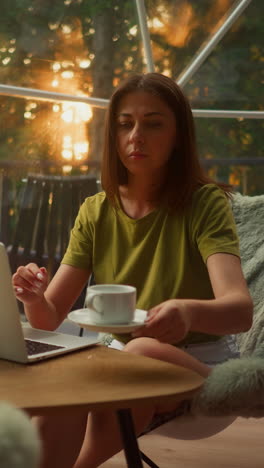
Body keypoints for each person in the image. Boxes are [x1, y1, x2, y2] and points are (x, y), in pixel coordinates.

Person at [12, 73, 253, 468]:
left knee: (134, 353)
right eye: (125, 124)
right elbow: (49, 317)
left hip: (200, 367)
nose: (135, 135)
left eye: (153, 123)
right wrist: (34, 298)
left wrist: (188, 311)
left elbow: (240, 310)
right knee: (76, 376)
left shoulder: (204, 204)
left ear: (178, 135)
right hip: (120, 366)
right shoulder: (96, 210)